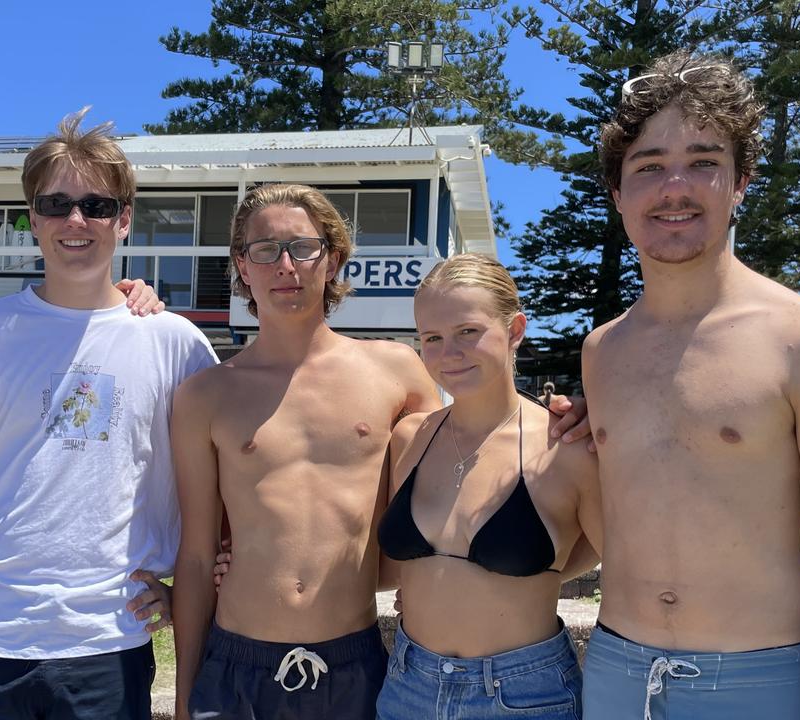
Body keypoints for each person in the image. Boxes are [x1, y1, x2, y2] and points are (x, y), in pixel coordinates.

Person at [171, 185, 590, 720]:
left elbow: (475, 448)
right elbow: (197, 555)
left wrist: (564, 416)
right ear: (241, 266)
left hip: (355, 661)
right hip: (237, 662)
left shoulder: (394, 370)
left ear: (334, 259)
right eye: (264, 249)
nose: (285, 266)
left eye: (303, 247)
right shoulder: (205, 395)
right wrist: (184, 697)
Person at [579, 50, 800, 719]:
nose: (675, 186)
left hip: (760, 685)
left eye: (704, 162)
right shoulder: (602, 352)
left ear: (741, 181)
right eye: (650, 166)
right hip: (615, 674)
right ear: (618, 192)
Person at [0, 109, 216, 720]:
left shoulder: (175, 345)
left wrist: (186, 592)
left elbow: (221, 494)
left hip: (109, 645)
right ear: (32, 218)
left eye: (97, 205)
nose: (76, 220)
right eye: (56, 203)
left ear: (124, 220)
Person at [376, 253, 601, 720]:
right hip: (408, 685)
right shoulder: (409, 439)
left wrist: (542, 571)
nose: (448, 353)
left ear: (515, 330)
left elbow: (612, 555)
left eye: (468, 332)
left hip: (525, 695)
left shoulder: (567, 447)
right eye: (432, 338)